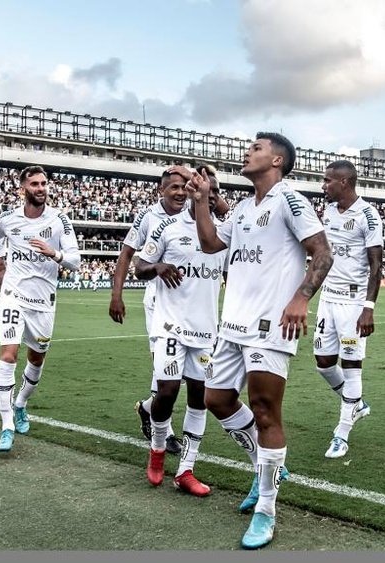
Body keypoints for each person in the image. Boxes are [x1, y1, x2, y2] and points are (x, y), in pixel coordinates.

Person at [187, 132, 332, 549]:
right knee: (216, 400)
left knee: (265, 411)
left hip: (270, 324)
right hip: (232, 323)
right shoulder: (246, 208)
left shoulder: (290, 199)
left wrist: (301, 298)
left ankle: (267, 509)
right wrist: (201, 202)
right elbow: (211, 243)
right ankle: (263, 465)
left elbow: (323, 253)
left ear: (277, 161)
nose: (247, 152)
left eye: (256, 148)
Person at [110, 165, 229, 455]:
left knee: (191, 379)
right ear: (161, 190)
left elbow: (221, 205)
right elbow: (129, 254)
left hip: (198, 304)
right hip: (160, 297)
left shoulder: (205, 212)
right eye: (173, 187)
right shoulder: (150, 217)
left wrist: (198, 182)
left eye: (183, 186)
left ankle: (150, 410)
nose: (178, 192)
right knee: (166, 373)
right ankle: (166, 432)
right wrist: (117, 295)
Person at [133, 166, 226, 497]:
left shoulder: (225, 235)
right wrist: (157, 267)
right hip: (169, 325)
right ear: (192, 191)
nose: (209, 195)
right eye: (204, 189)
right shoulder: (167, 228)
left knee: (199, 398)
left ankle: (186, 470)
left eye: (214, 191)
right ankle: (157, 449)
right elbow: (139, 266)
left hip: (205, 331)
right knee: (167, 392)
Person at [0, 165, 81, 452]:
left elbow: (75, 261)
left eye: (44, 184)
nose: (41, 188)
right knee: (8, 354)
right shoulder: (8, 220)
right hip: (13, 295)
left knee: (37, 359)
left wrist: (55, 253)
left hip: (43, 301)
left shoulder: (59, 220)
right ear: (23, 189)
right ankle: (6, 427)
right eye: (35, 184)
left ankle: (21, 404)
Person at [312, 160, 383, 459]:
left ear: (344, 182)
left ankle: (341, 434)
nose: (323, 186)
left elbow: (376, 265)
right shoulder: (327, 211)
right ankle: (354, 403)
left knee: (352, 366)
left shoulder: (368, 215)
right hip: (328, 299)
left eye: (328, 181)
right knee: (324, 363)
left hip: (354, 304)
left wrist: (368, 308)